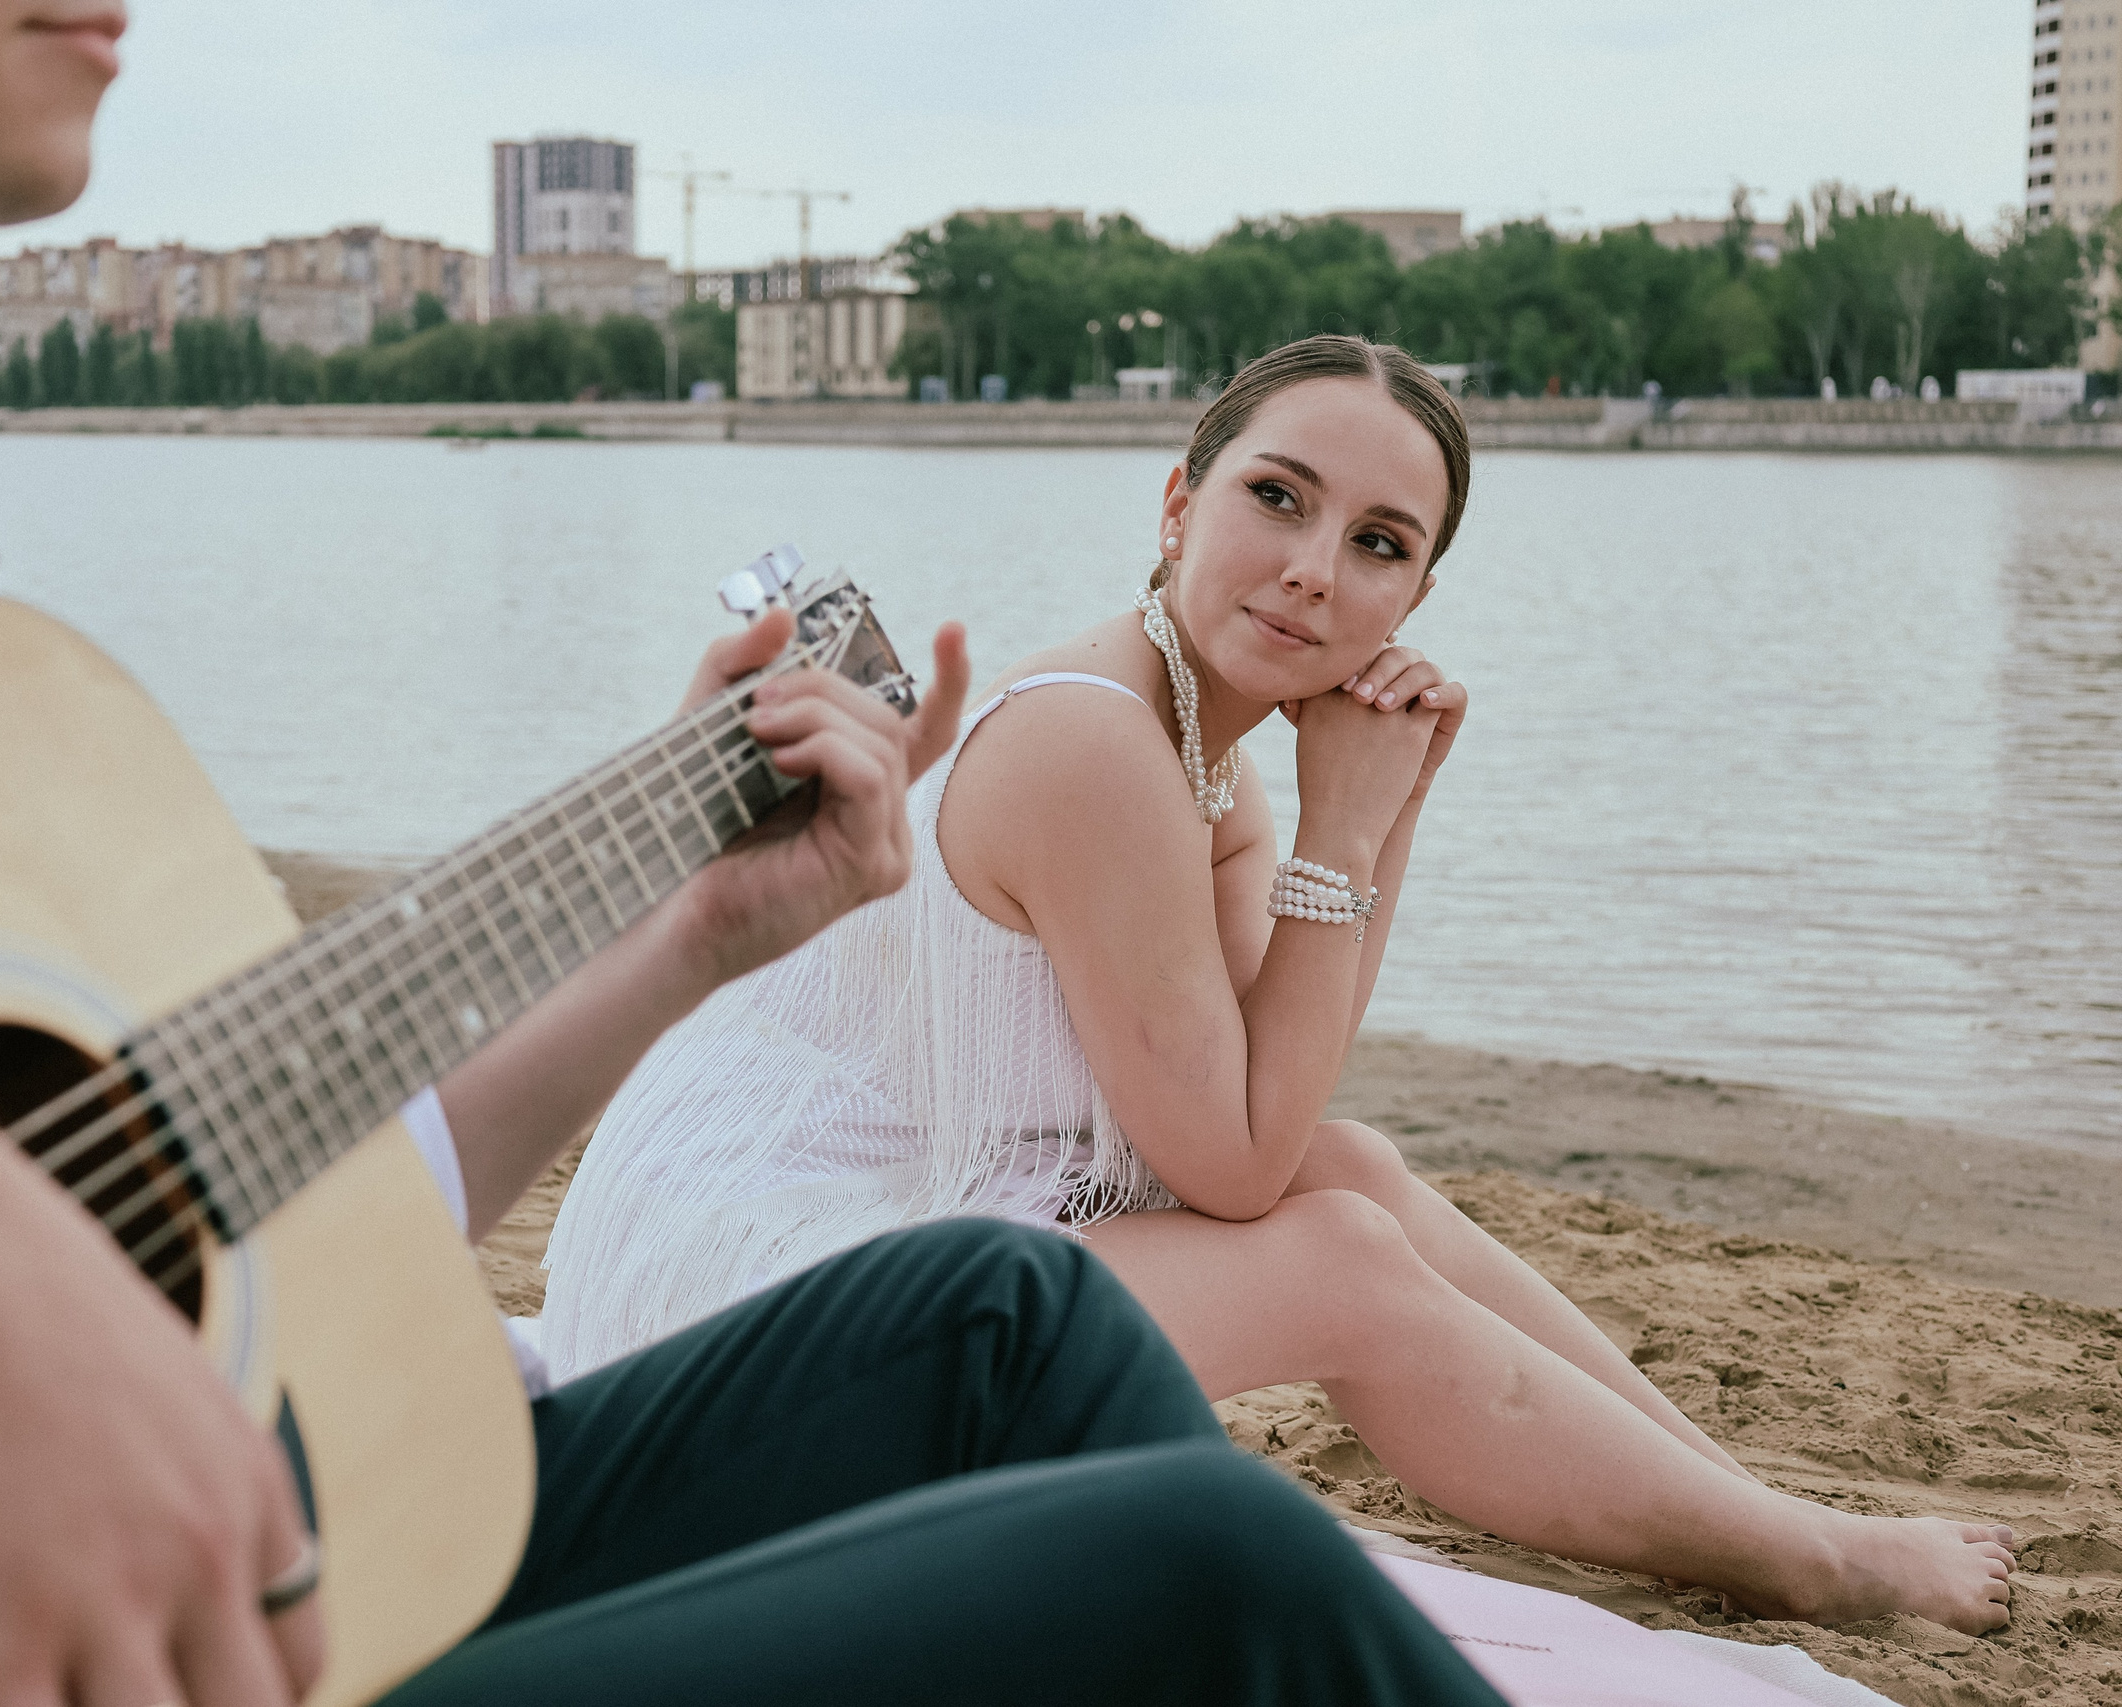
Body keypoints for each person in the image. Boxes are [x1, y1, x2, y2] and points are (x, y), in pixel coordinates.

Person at [0, 2, 1511, 1704]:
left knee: (1014, 1319)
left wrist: (680, 938)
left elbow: (257, 1205)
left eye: (1382, 544)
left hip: (178, 1588)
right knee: (1204, 1568)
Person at [539, 335, 2022, 1635]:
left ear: (1417, 594)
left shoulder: (1205, 753)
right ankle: (1810, 1561)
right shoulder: (1092, 744)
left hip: (906, 1232)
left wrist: (1389, 803)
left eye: (1380, 543)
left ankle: (1738, 1501)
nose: (1317, 568)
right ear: (1179, 502)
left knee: (1353, 1167)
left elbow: (1278, 1086)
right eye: (1278, 497)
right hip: (748, 1314)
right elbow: (1233, 1174)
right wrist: (1353, 826)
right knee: (1335, 1262)